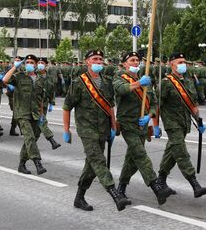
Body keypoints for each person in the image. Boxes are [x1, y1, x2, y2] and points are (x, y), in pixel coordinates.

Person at [62, 50, 129, 212]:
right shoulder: (79, 83)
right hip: (87, 130)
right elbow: (67, 107)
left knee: (91, 165)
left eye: (100, 59)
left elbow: (110, 106)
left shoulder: (106, 82)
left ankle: (79, 197)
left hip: (103, 129)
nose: (98, 61)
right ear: (87, 62)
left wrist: (113, 126)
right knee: (99, 161)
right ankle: (115, 193)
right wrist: (66, 130)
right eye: (95, 59)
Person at [113, 51, 171, 207]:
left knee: (132, 159)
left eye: (137, 60)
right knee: (140, 154)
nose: (135, 63)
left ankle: (121, 188)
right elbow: (121, 90)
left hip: (142, 125)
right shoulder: (119, 77)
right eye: (132, 60)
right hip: (127, 124)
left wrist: (150, 115)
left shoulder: (146, 81)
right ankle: (156, 186)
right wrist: (139, 84)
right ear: (124, 64)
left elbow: (154, 103)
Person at [158, 52, 206, 202]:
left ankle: (160, 180)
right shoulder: (166, 83)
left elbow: (193, 105)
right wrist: (154, 125)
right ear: (171, 64)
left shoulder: (188, 82)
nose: (182, 64)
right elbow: (157, 105)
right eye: (179, 62)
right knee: (181, 153)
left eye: (184, 61)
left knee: (172, 153)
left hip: (184, 123)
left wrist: (199, 122)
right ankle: (195, 185)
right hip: (172, 124)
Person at [2, 54, 47, 175]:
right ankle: (38, 163)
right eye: (27, 62)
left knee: (32, 138)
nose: (30, 64)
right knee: (29, 137)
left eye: (32, 62)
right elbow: (5, 80)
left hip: (35, 113)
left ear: (36, 64)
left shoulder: (39, 79)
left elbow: (40, 99)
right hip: (21, 113)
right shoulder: (19, 76)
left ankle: (22, 164)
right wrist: (14, 67)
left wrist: (42, 115)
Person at [36, 57, 62, 150]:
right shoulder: (34, 75)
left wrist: (51, 102)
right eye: (38, 62)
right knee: (42, 122)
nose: (40, 64)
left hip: (45, 103)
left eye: (42, 62)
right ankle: (52, 140)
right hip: (35, 104)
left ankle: (31, 144)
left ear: (46, 64)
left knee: (38, 125)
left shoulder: (49, 78)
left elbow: (52, 91)